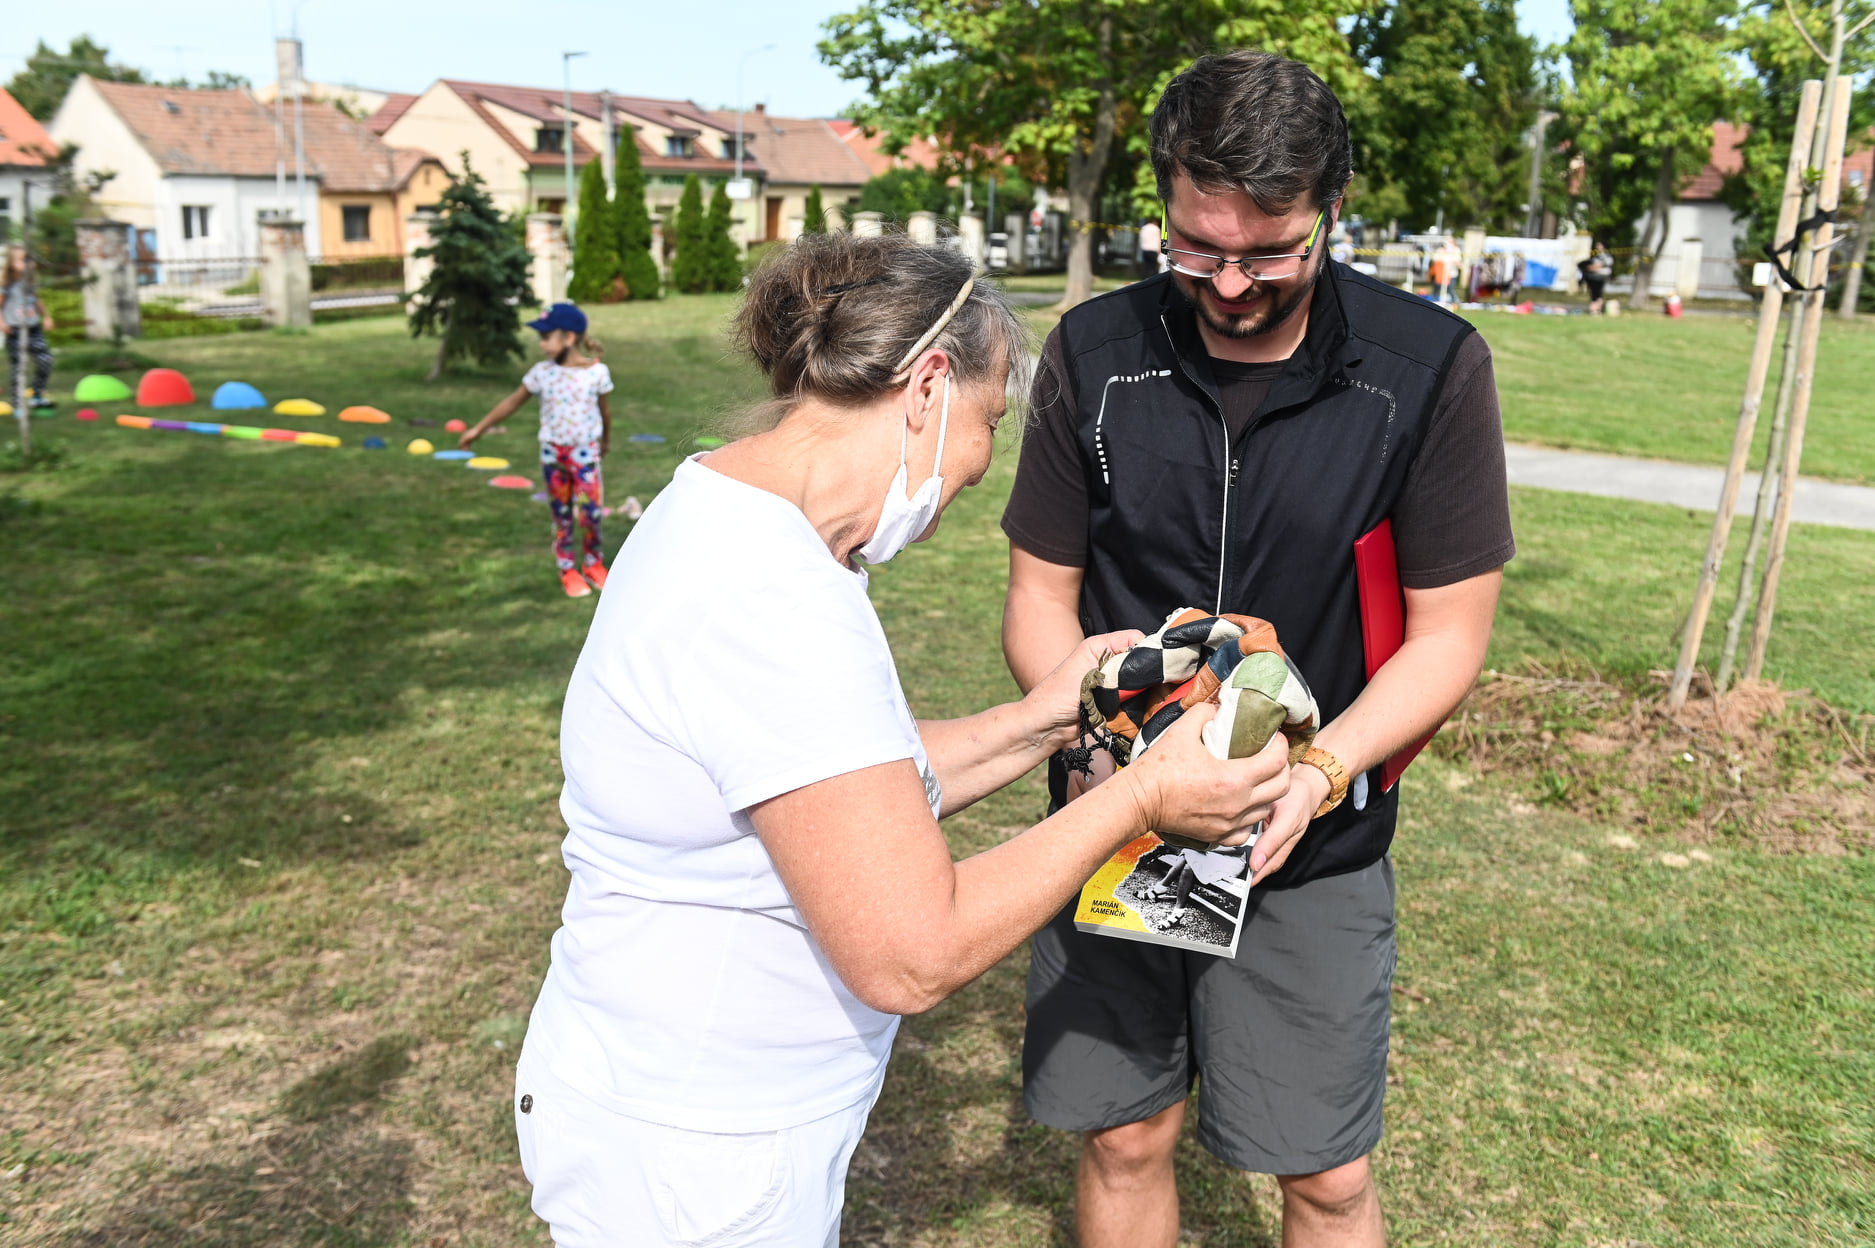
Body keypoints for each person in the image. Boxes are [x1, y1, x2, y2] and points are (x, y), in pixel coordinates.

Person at [514, 233, 1294, 1248]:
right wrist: (1141, 798)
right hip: (698, 1149)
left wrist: (1046, 714)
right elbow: (912, 953)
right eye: (988, 421)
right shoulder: (772, 598)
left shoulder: (725, 510)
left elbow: (830, 783)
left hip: (666, 1111)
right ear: (926, 386)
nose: (979, 465)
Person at [1000, 50, 1514, 1248]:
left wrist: (1321, 775)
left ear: (1332, 207)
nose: (1228, 283)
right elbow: (1037, 599)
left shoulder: (1427, 370)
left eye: (1270, 252)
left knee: (1324, 1176)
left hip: (1310, 844)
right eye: (1196, 247)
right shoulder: (1093, 353)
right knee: (1123, 1136)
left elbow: (1448, 638)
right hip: (1113, 821)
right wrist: (1104, 749)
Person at [460, 302, 613, 598]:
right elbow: (511, 403)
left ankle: (594, 564)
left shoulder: (597, 373)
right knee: (562, 516)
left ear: (569, 337)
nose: (541, 344)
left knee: (591, 514)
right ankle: (567, 570)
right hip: (553, 457)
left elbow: (605, 412)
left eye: (546, 337)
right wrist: (477, 429)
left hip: (585, 454)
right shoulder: (541, 373)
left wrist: (605, 441)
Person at [3, 244, 56, 412]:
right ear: (12, 264)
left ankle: (37, 396)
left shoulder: (29, 283)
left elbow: (37, 300)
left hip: (34, 329)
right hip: (15, 330)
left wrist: (46, 316)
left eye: (29, 260)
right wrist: (2, 323)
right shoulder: (6, 284)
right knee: (19, 368)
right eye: (23, 260)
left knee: (45, 361)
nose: (28, 263)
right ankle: (17, 404)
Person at [1579, 241, 1612, 314]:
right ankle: (1595, 309)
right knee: (1595, 294)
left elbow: (1599, 265)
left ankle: (1596, 310)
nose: (1597, 247)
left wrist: (1590, 268)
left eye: (1599, 245)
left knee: (1597, 294)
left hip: (1600, 277)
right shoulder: (1596, 256)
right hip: (1593, 276)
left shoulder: (1606, 256)